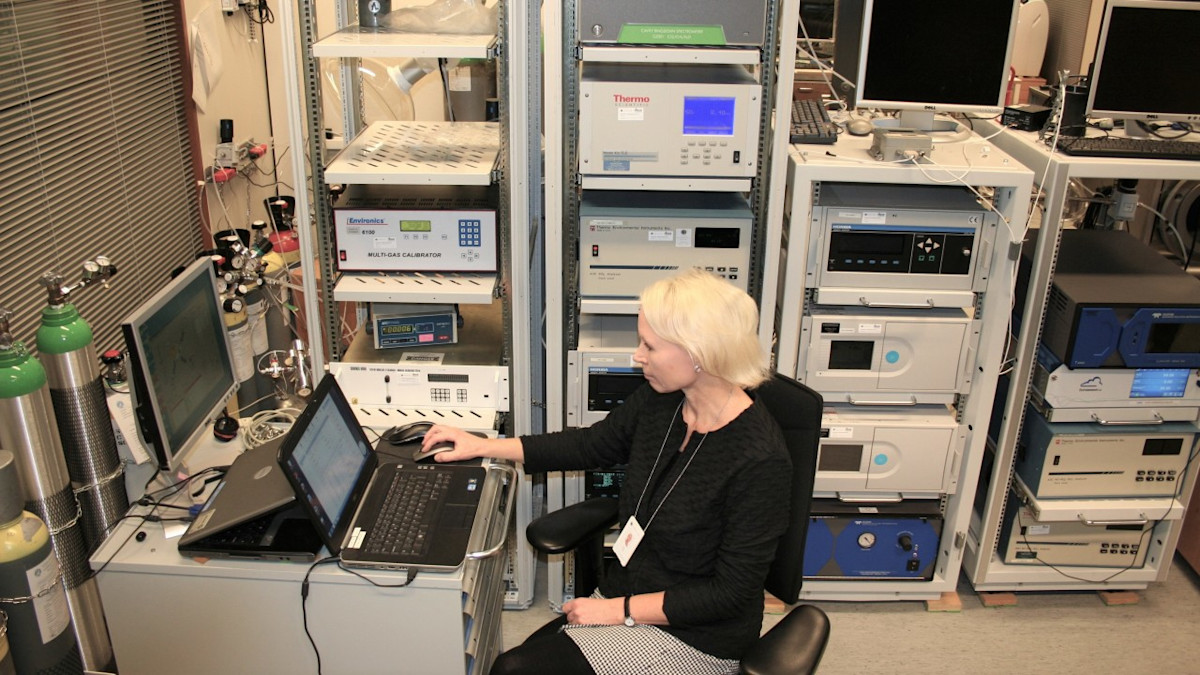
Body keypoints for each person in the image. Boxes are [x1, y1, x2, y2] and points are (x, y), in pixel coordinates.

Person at [420, 268, 792, 675]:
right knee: (520, 663)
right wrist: (483, 445)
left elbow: (729, 594)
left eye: (650, 346)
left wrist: (618, 611)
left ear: (699, 353)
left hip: (696, 633)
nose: (637, 356)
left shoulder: (759, 460)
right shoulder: (664, 399)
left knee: (516, 669)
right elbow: (590, 445)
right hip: (631, 588)